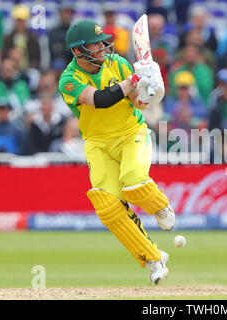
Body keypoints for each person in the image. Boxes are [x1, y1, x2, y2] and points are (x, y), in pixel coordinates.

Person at [58, 19, 173, 285]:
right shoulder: (68, 79)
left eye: (101, 42)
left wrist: (150, 93)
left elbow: (138, 104)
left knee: (133, 181)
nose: (102, 47)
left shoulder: (118, 63)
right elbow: (101, 99)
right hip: (97, 143)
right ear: (78, 51)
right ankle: (153, 259)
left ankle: (161, 206)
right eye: (95, 44)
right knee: (106, 206)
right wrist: (134, 78)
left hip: (132, 133)